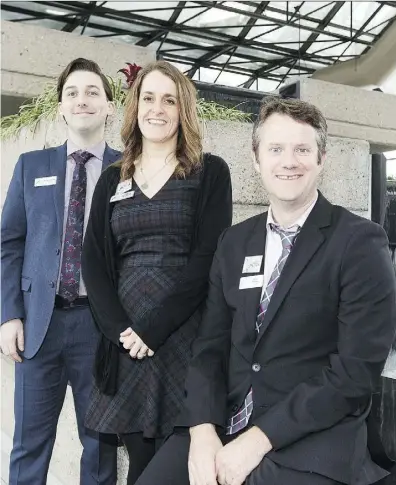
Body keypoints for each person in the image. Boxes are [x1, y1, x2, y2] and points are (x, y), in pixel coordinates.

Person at [135, 96, 396, 485]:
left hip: (312, 435)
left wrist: (258, 440)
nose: (288, 161)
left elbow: (355, 374)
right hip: (225, 422)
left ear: (321, 159)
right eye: (275, 149)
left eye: (302, 149)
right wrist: (203, 427)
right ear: (257, 159)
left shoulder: (360, 243)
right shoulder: (234, 242)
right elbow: (209, 347)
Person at [81, 60, 232, 485]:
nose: (157, 108)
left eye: (169, 99)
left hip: (184, 334)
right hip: (126, 344)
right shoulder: (114, 179)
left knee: (177, 464)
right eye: (148, 98)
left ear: (183, 109)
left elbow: (209, 258)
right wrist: (122, 331)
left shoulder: (210, 172)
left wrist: (154, 328)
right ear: (135, 106)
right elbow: (93, 259)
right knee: (141, 464)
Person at [1, 58, 119, 485]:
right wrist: (9, 315)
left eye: (92, 92)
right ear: (60, 108)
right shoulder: (31, 167)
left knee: (100, 447)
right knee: (29, 446)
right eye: (72, 93)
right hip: (39, 326)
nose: (81, 100)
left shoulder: (128, 171)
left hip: (100, 329)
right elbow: (9, 243)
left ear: (109, 105)